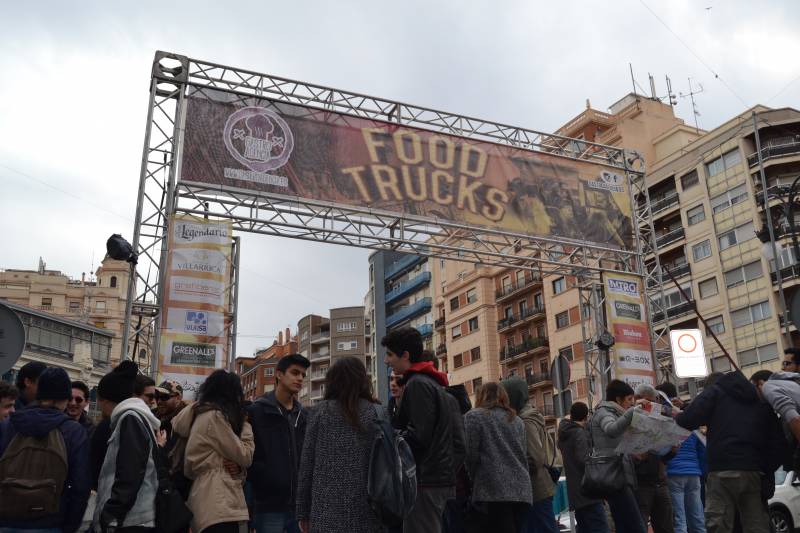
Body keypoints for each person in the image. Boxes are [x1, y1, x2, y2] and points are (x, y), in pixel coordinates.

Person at [676, 370, 784, 533]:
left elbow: (687, 420)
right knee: (756, 526)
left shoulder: (715, 392)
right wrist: (764, 469)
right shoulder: (757, 397)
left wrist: (678, 414)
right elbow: (777, 441)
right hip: (753, 471)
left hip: (722, 468)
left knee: (718, 524)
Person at [296, 357, 383, 533]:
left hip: (325, 512)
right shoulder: (377, 412)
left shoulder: (319, 412)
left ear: (332, 381)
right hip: (369, 511)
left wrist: (303, 512)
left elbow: (307, 466)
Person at [383, 326, 456, 533]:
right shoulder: (430, 382)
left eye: (390, 355)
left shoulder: (417, 384)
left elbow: (419, 437)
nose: (387, 361)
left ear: (405, 355)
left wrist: (390, 437)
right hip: (435, 478)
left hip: (425, 481)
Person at [0, 367, 90, 533]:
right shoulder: (72, 431)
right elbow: (80, 487)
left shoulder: (9, 424)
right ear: (65, 397)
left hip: (6, 519)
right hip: (50, 521)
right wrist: (69, 526)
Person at [173, 370, 254, 533]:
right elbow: (245, 455)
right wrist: (245, 425)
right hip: (220, 503)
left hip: (204, 499)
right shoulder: (214, 417)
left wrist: (238, 469)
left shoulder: (199, 415)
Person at [94, 360, 161, 532]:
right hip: (132, 518)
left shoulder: (129, 418)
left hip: (131, 521)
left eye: (99, 399)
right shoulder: (133, 417)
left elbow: (130, 472)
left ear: (105, 399)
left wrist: (111, 514)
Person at [247, 353, 310, 533]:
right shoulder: (257, 411)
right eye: (295, 373)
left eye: (302, 375)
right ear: (279, 374)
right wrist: (263, 477)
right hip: (268, 506)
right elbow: (249, 453)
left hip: (300, 507)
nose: (299, 378)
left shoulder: (304, 416)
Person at [462, 382, 531, 533]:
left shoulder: (474, 417)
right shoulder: (517, 421)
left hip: (492, 491)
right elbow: (523, 454)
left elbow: (470, 455)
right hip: (522, 491)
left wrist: (472, 481)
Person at [501, 376, 558, 533]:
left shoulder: (525, 421)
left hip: (535, 490)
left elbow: (534, 457)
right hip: (537, 489)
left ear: (513, 395)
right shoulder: (529, 415)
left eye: (504, 396)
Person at [590, 379, 647, 533]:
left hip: (620, 475)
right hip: (615, 477)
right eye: (629, 400)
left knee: (625, 525)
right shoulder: (604, 412)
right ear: (618, 399)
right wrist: (632, 413)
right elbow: (611, 429)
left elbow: (618, 443)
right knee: (635, 525)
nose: (631, 404)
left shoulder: (617, 414)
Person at [558, 402, 610, 533]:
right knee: (600, 528)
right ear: (585, 417)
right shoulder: (579, 433)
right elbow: (585, 460)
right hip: (589, 493)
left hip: (576, 495)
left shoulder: (565, 434)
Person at [632, 384, 675, 533]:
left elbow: (663, 455)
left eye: (654, 402)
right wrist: (639, 457)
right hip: (640, 483)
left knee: (666, 526)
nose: (652, 405)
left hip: (660, 481)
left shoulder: (658, 417)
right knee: (640, 525)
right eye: (649, 401)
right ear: (637, 399)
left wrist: (673, 449)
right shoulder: (629, 417)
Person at [155, 380, 188, 445]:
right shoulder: (154, 415)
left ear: (178, 398)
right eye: (157, 397)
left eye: (164, 397)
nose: (159, 401)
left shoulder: (186, 420)